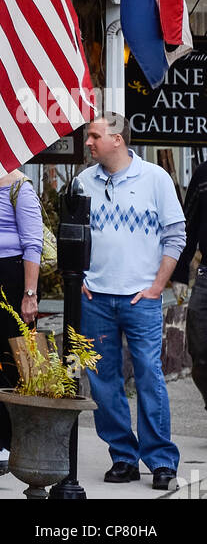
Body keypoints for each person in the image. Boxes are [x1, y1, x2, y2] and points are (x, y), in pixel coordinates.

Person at [78, 113, 186, 490]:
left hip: (141, 298)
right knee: (103, 381)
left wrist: (157, 287)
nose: (88, 142)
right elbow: (72, 234)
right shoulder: (82, 182)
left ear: (118, 139)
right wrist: (80, 279)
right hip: (95, 299)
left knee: (149, 377)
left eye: (94, 136)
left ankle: (160, 461)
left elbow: (175, 235)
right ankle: (122, 457)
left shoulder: (155, 178)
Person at [0, 168, 44, 478]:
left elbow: (33, 244)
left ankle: (23, 441)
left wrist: (30, 294)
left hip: (12, 279)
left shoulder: (20, 188)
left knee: (19, 362)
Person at [173, 157, 207, 411]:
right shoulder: (204, 174)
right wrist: (180, 273)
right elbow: (189, 225)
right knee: (200, 350)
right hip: (206, 274)